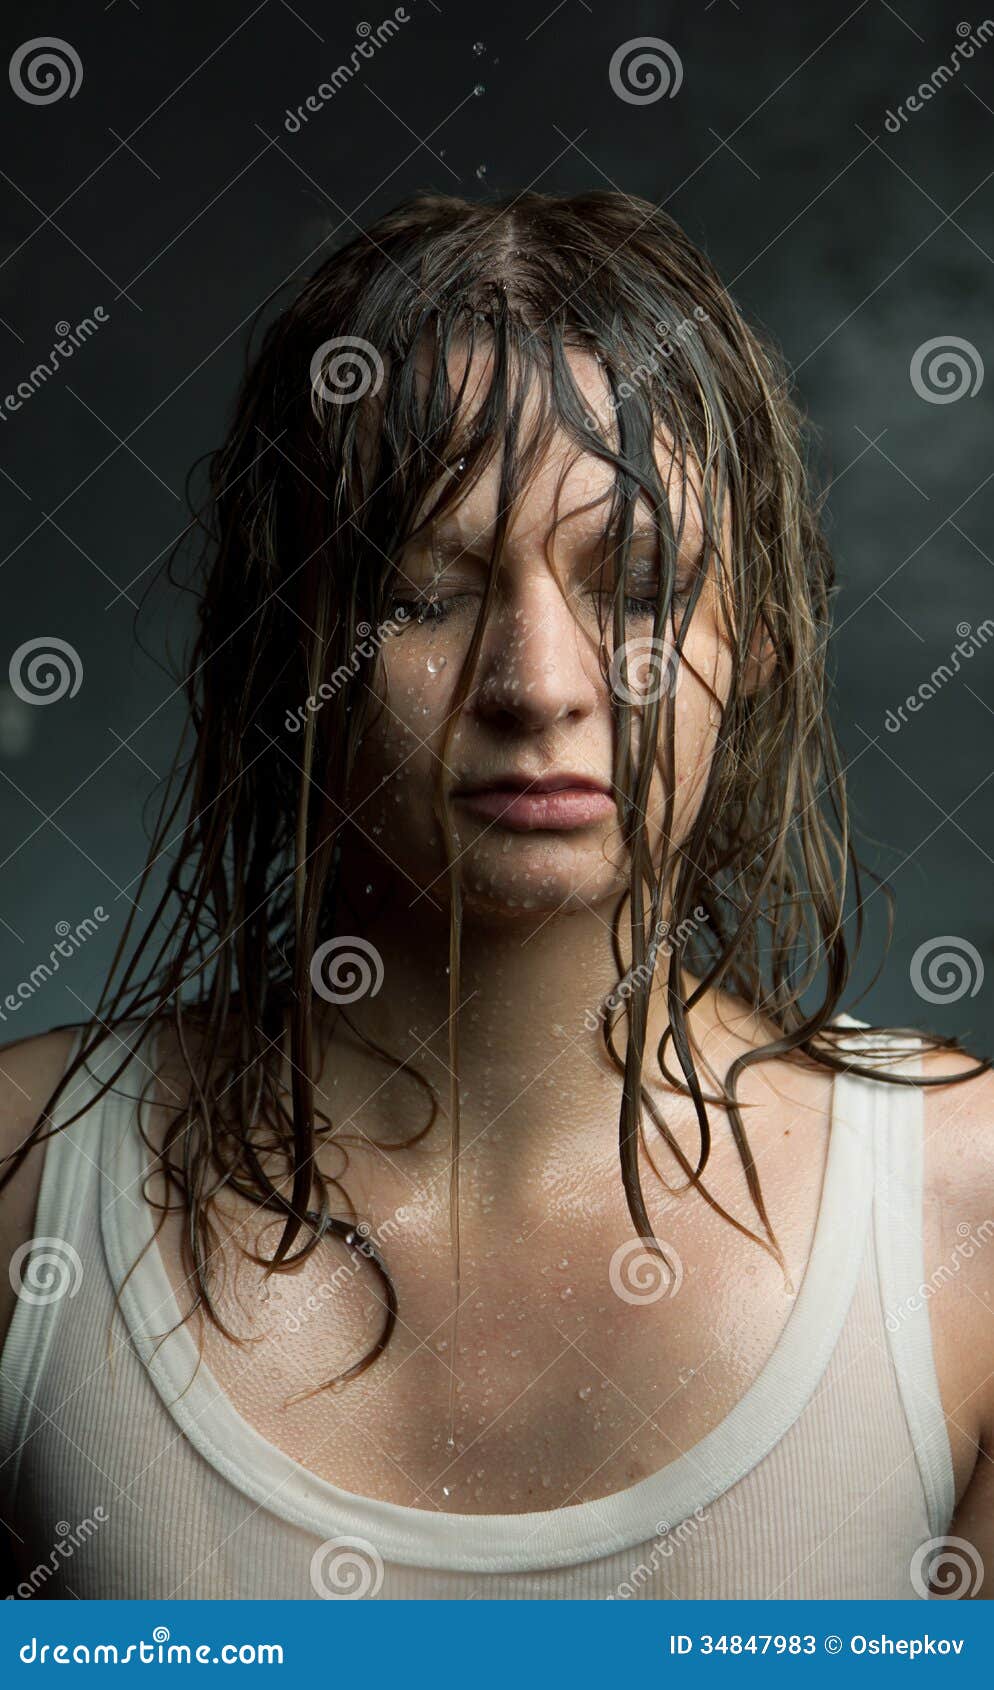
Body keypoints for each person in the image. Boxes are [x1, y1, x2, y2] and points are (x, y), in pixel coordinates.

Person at [1, 189, 992, 1602]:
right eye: (423, 593)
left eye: (637, 587)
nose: (539, 683)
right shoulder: (26, 1187)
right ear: (292, 650)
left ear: (754, 646)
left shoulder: (971, 1210)